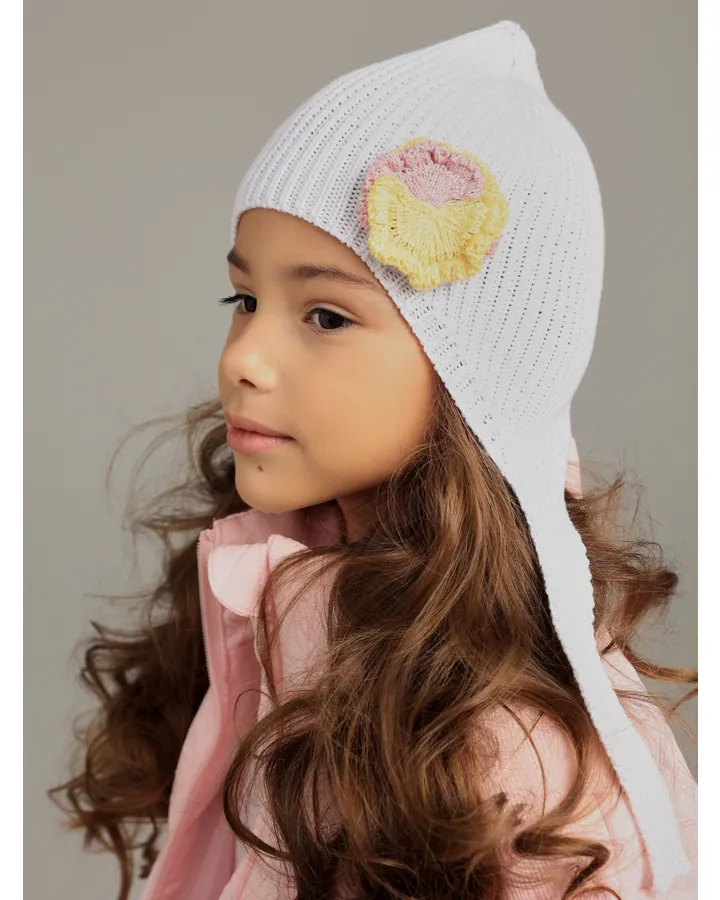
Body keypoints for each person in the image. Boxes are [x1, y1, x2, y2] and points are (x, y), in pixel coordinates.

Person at [49, 19, 697, 900]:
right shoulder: (275, 597)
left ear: (478, 374)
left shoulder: (505, 756)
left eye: (325, 316)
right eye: (244, 299)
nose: (243, 358)